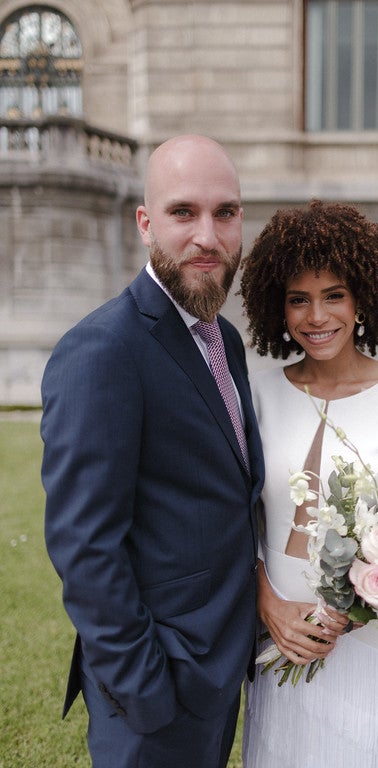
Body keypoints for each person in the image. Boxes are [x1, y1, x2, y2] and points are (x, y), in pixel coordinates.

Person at [41, 134, 264, 768]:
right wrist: (146, 690)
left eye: (226, 212)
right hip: (154, 693)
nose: (208, 236)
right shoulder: (102, 350)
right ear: (145, 223)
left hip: (217, 671)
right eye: (182, 212)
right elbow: (85, 547)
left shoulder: (223, 338)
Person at [239, 200, 378, 768]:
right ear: (278, 306)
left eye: (333, 294)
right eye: (298, 299)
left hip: (367, 650)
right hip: (278, 645)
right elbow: (238, 524)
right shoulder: (256, 396)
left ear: (363, 297)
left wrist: (361, 603)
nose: (316, 316)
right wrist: (268, 605)